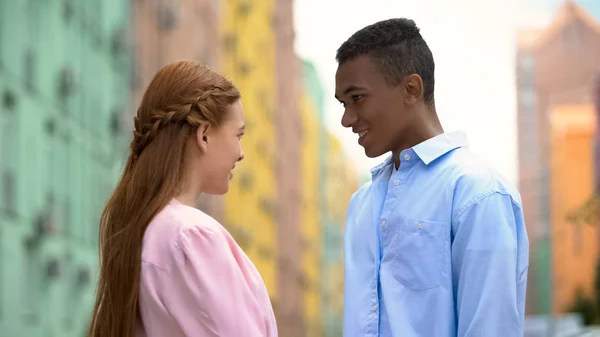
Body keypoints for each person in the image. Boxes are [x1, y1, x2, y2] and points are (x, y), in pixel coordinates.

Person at [335, 18, 529, 336]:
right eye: (343, 103)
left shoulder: (478, 193)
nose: (346, 119)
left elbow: (490, 327)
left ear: (411, 89)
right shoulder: (362, 204)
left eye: (357, 97)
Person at [87, 60, 277, 337]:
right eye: (238, 135)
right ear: (204, 135)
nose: (241, 153)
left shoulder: (145, 230)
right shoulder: (191, 236)